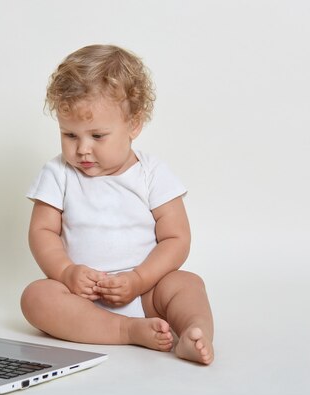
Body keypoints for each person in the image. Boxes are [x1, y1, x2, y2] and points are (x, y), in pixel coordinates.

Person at [20, 44, 214, 365]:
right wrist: (66, 272)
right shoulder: (58, 173)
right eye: (69, 135)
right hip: (81, 298)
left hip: (146, 290)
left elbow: (176, 238)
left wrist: (139, 279)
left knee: (187, 284)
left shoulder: (152, 174)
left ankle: (195, 332)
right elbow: (42, 231)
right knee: (36, 297)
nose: (82, 149)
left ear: (133, 125)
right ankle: (126, 330)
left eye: (97, 136)